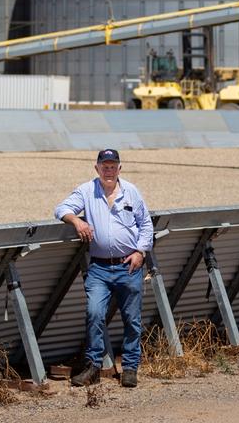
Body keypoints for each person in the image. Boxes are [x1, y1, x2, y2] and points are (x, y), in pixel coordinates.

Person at [55, 148, 154, 388]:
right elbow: (60, 209)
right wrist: (77, 220)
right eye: (104, 166)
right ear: (96, 168)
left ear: (120, 168)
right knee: (94, 314)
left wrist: (140, 252)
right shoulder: (87, 191)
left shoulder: (131, 192)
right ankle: (93, 367)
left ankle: (130, 368)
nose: (108, 170)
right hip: (99, 267)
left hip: (128, 266)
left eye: (113, 166)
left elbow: (146, 225)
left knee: (132, 319)